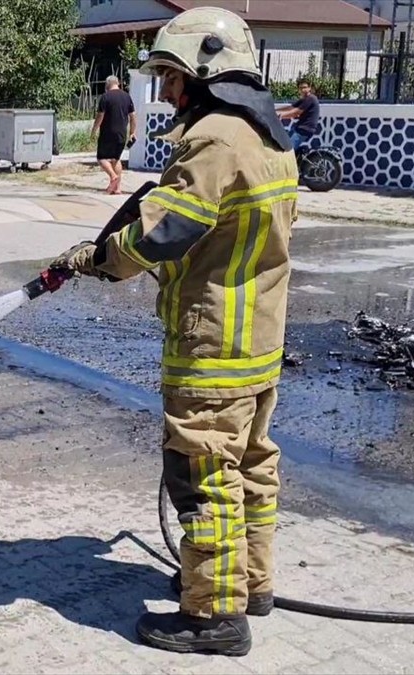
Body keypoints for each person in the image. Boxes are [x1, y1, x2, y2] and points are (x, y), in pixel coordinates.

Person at [46, 6, 297, 657]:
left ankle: (215, 614)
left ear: (201, 71)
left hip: (212, 345)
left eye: (169, 74)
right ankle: (251, 583)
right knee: (250, 467)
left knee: (202, 474)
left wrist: (93, 257)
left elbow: (164, 229)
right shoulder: (267, 138)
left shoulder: (215, 138)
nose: (162, 90)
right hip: (261, 344)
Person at [91, 75, 137, 194]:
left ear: (107, 85)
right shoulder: (127, 97)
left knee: (101, 158)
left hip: (107, 133)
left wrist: (94, 130)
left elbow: (100, 116)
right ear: (118, 84)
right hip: (122, 133)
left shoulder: (105, 97)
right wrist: (132, 132)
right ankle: (117, 188)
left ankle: (113, 176)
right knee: (116, 159)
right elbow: (133, 117)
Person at [277, 78, 320, 154]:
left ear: (309, 88)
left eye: (304, 87)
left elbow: (295, 113)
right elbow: (290, 108)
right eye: (300, 88)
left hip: (305, 129)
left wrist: (281, 115)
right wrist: (275, 110)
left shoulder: (311, 98)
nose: (302, 90)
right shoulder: (304, 99)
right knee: (283, 143)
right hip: (299, 128)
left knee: (287, 151)